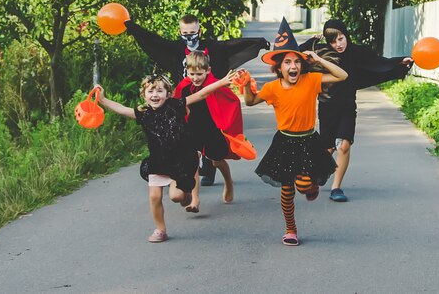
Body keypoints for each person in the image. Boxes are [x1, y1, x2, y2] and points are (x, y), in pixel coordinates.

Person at [124, 14, 269, 186]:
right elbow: (155, 41)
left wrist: (258, 42)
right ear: (179, 32)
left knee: (211, 138)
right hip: (186, 97)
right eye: (185, 33)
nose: (189, 36)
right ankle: (191, 183)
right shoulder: (177, 48)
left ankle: (212, 165)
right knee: (188, 136)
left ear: (199, 31)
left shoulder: (211, 47)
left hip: (210, 98)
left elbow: (231, 46)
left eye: (192, 32)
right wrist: (132, 28)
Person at [240, 18, 348, 246]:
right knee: (287, 190)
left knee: (304, 185)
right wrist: (246, 87)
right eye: (287, 62)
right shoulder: (272, 88)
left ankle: (311, 186)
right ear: (279, 67)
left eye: (297, 62)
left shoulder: (311, 80)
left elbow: (342, 76)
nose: (293, 66)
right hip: (285, 142)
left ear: (302, 65)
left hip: (308, 140)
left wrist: (318, 58)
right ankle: (291, 229)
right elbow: (249, 102)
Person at [95, 69, 236, 243]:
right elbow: (122, 109)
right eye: (151, 91)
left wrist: (221, 82)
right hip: (158, 162)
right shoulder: (143, 113)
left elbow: (201, 94)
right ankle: (160, 229)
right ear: (144, 95)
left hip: (181, 161)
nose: (155, 95)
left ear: (168, 94)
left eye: (160, 91)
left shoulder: (176, 106)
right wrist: (102, 100)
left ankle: (187, 196)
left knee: (176, 197)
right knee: (154, 196)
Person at [299, 19, 413, 202]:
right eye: (333, 41)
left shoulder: (356, 52)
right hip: (327, 107)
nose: (338, 44)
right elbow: (297, 55)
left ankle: (336, 188)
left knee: (343, 145)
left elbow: (377, 63)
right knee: (327, 148)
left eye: (341, 39)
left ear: (346, 35)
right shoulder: (321, 51)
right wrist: (310, 41)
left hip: (347, 106)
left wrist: (399, 62)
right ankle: (313, 177)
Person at [172, 50, 243, 213]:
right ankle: (195, 200)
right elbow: (176, 106)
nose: (195, 78)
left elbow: (232, 102)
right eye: (191, 74)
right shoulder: (184, 86)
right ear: (186, 72)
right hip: (192, 128)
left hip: (213, 128)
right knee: (193, 160)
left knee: (217, 161)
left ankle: (229, 182)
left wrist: (228, 127)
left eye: (199, 74)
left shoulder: (216, 84)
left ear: (208, 71)